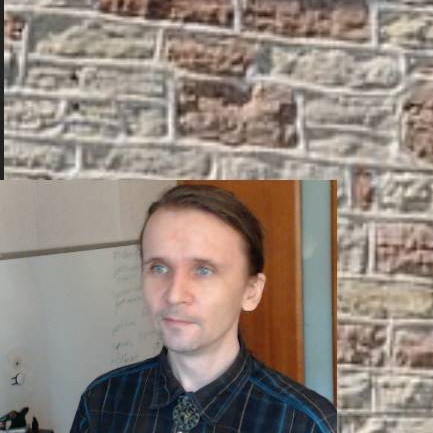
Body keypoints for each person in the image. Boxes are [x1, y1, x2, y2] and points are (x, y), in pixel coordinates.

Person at [70, 185, 336, 433]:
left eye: (203, 270)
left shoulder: (304, 424)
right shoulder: (102, 401)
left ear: (251, 291)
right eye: (158, 268)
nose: (174, 295)